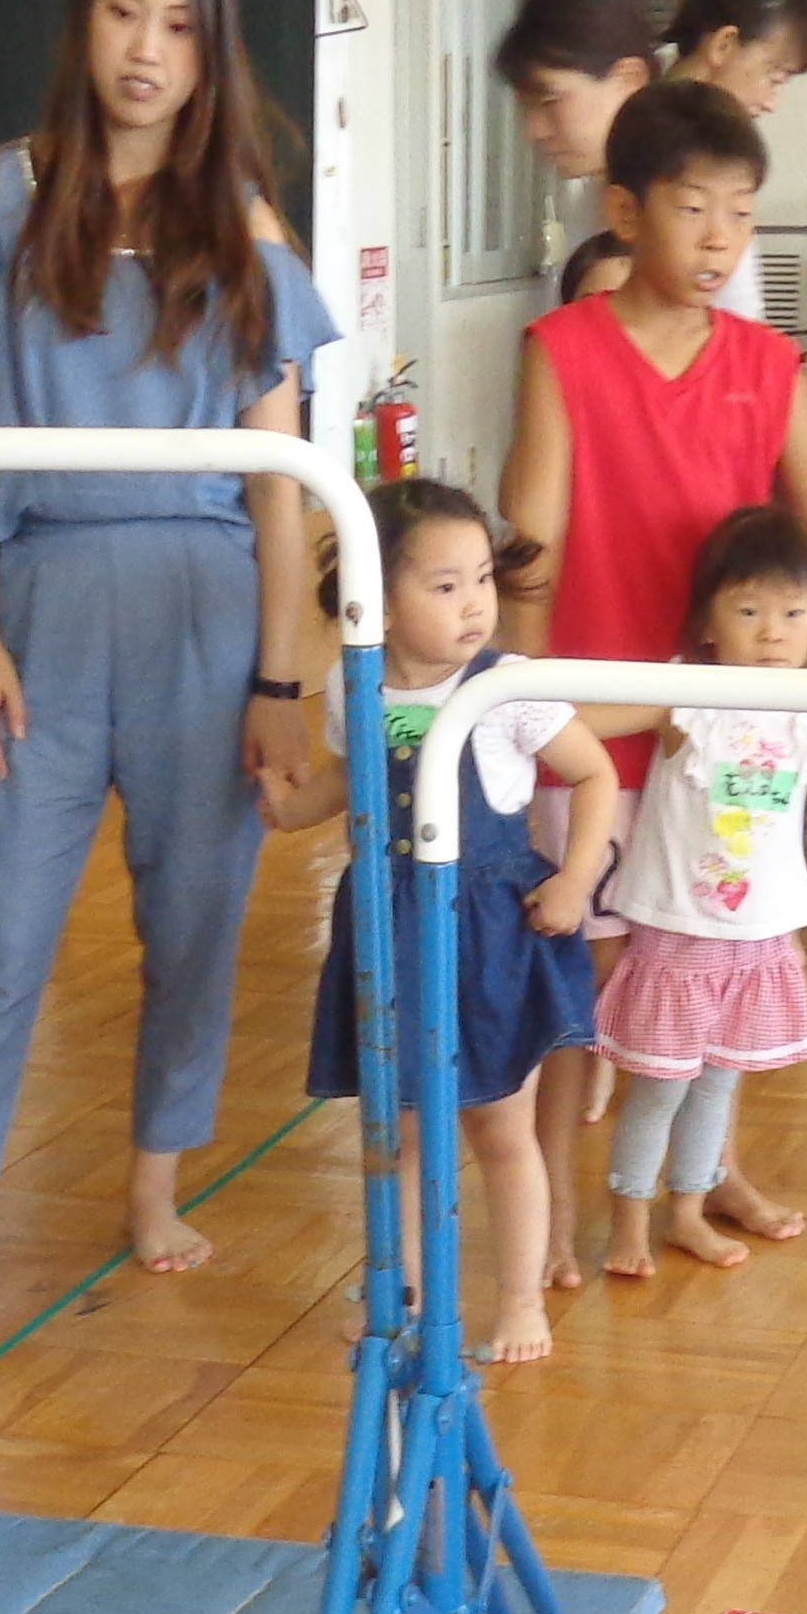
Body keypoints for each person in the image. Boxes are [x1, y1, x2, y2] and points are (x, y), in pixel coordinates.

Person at [0, 0, 336, 1327]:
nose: (147, 49)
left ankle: (153, 1187)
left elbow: (283, 487)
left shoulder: (243, 226)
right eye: (125, 12)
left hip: (206, 606)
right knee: (3, 931)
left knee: (193, 927)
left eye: (180, 25)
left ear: (210, 52)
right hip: (41, 600)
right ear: (83, 21)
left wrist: (280, 681)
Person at [504, 80, 807, 1258]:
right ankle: (552, 1203)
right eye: (694, 209)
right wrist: (520, 713)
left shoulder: (766, 364)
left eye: (741, 214)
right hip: (598, 730)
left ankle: (706, 1173)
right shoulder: (562, 350)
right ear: (625, 211)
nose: (721, 240)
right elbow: (531, 539)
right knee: (585, 986)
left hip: (728, 733)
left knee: (719, 962)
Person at [259, 478, 617, 1367]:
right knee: (404, 1132)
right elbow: (352, 774)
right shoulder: (354, 684)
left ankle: (520, 1299)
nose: (474, 604)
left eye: (482, 579)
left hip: (488, 933)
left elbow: (595, 774)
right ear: (378, 600)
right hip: (391, 927)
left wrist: (576, 878)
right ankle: (404, 1295)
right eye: (446, 585)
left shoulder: (507, 688)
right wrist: (292, 810)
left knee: (500, 1128)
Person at [586, 508, 807, 1280]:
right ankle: (629, 1218)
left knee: (717, 1085)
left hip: (758, 935)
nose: (772, 632)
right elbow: (587, 716)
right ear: (706, 623)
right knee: (661, 1088)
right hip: (678, 929)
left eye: (794, 613)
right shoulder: (686, 693)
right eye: (749, 611)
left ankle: (688, 1211)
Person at [653, 0, 807, 327]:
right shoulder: (645, 138)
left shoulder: (713, 138)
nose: (772, 103)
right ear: (724, 44)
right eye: (774, 78)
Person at [495, 0, 660, 308]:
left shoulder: (687, 208)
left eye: (550, 101)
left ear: (629, 81)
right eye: (527, 107)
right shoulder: (587, 194)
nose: (533, 130)